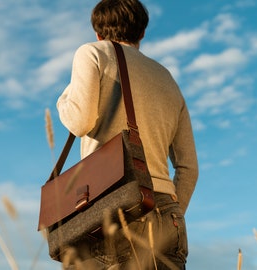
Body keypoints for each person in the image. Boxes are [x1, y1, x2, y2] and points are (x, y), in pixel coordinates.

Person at [56, 0, 198, 269]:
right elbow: (189, 167)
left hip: (110, 206)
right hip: (167, 212)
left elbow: (80, 122)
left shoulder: (92, 53)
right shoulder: (167, 78)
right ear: (142, 33)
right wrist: (168, 215)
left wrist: (63, 100)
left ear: (98, 33)